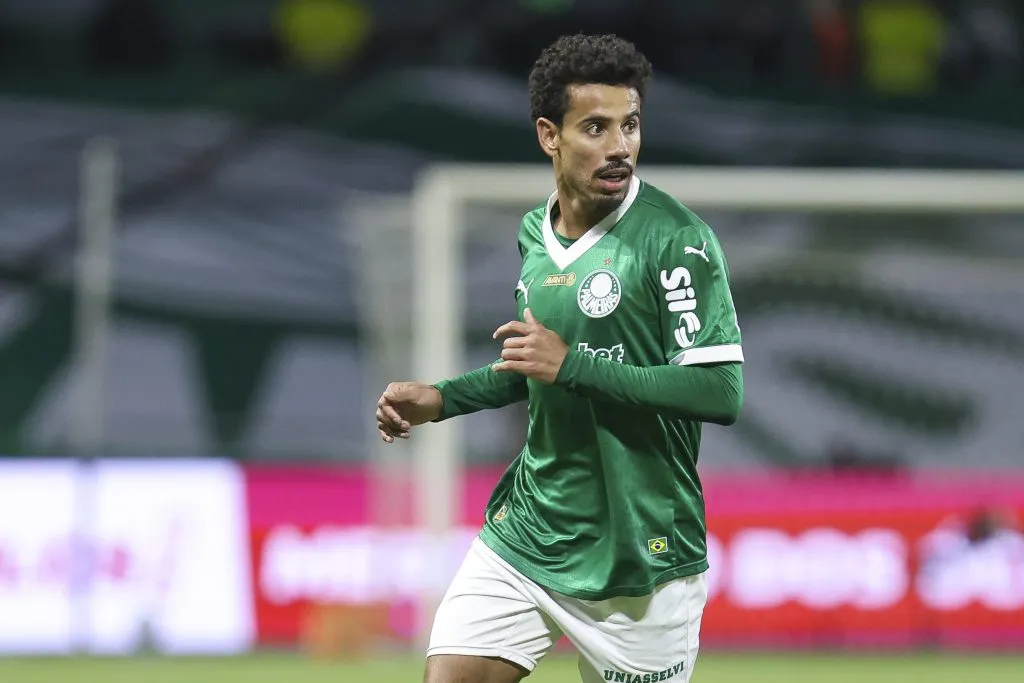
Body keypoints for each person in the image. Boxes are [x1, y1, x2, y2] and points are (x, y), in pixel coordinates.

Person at [376, 33, 744, 683]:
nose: (620, 145)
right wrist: (444, 398)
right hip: (532, 531)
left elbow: (718, 391)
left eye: (629, 125)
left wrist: (573, 365)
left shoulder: (676, 240)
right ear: (550, 135)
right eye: (596, 127)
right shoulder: (534, 233)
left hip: (641, 556)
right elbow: (536, 364)